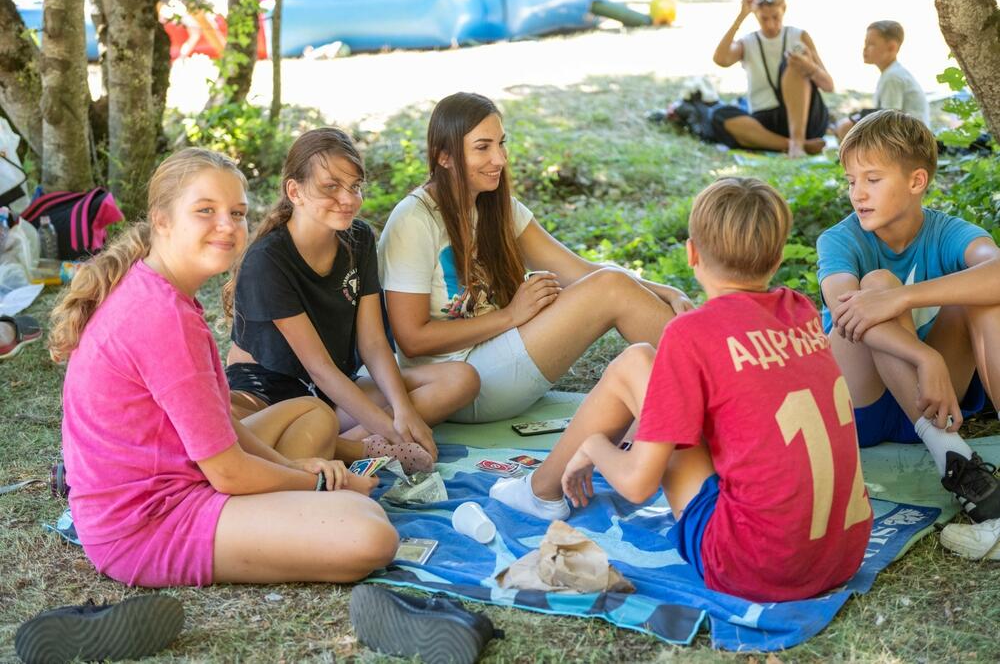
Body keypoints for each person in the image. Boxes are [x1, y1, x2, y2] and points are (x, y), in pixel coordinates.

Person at [492, 177, 872, 602]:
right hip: (844, 553)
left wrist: (594, 446)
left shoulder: (690, 333)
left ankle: (541, 491)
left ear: (692, 252)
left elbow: (637, 486)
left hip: (754, 565)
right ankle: (542, 489)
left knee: (635, 362)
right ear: (778, 255)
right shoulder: (801, 311)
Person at [50, 148, 398, 588]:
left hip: (178, 479)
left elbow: (223, 424)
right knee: (369, 532)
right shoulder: (162, 316)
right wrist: (316, 487)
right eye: (205, 211)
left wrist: (300, 472)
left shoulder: (159, 289)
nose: (227, 226)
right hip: (147, 527)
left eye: (237, 212)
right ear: (161, 219)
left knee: (312, 413)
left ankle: (301, 495)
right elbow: (228, 471)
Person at [378, 92, 694, 424]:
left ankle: (721, 369)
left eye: (501, 143)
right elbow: (412, 340)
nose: (499, 159)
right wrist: (511, 316)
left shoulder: (495, 206)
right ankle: (723, 374)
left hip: (500, 354)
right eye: (482, 147)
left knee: (610, 283)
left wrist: (665, 291)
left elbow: (582, 272)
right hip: (457, 382)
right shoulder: (413, 221)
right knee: (611, 287)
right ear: (443, 156)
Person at [224, 128, 478, 473]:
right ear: (294, 191)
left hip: (332, 392)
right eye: (331, 187)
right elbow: (319, 367)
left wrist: (403, 410)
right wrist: (392, 431)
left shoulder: (359, 238)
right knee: (235, 435)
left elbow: (373, 343)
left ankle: (335, 444)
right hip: (269, 394)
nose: (348, 198)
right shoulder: (267, 259)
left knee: (460, 380)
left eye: (355, 186)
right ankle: (353, 447)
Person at [817, 110, 1000, 522]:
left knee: (984, 294)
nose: (858, 194)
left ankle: (956, 451)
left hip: (935, 398)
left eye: (873, 179)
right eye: (851, 181)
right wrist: (923, 357)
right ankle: (954, 459)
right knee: (877, 283)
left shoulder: (947, 231)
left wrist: (904, 300)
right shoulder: (839, 240)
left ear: (917, 181)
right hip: (862, 405)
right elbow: (845, 309)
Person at [711, 0, 832, 157]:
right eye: (764, 19)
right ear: (755, 14)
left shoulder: (799, 36)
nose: (770, 25)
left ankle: (797, 141)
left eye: (775, 17)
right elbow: (721, 59)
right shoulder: (747, 42)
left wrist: (809, 68)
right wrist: (741, 17)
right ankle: (793, 145)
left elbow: (829, 86)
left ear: (784, 9)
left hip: (807, 120)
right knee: (719, 116)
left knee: (793, 64)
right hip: (766, 121)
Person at [833, 21, 930, 141]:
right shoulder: (890, 73)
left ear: (891, 47)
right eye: (865, 43)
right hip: (906, 134)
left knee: (847, 127)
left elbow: (890, 120)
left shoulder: (893, 77)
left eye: (871, 44)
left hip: (913, 139)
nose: (865, 49)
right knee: (847, 124)